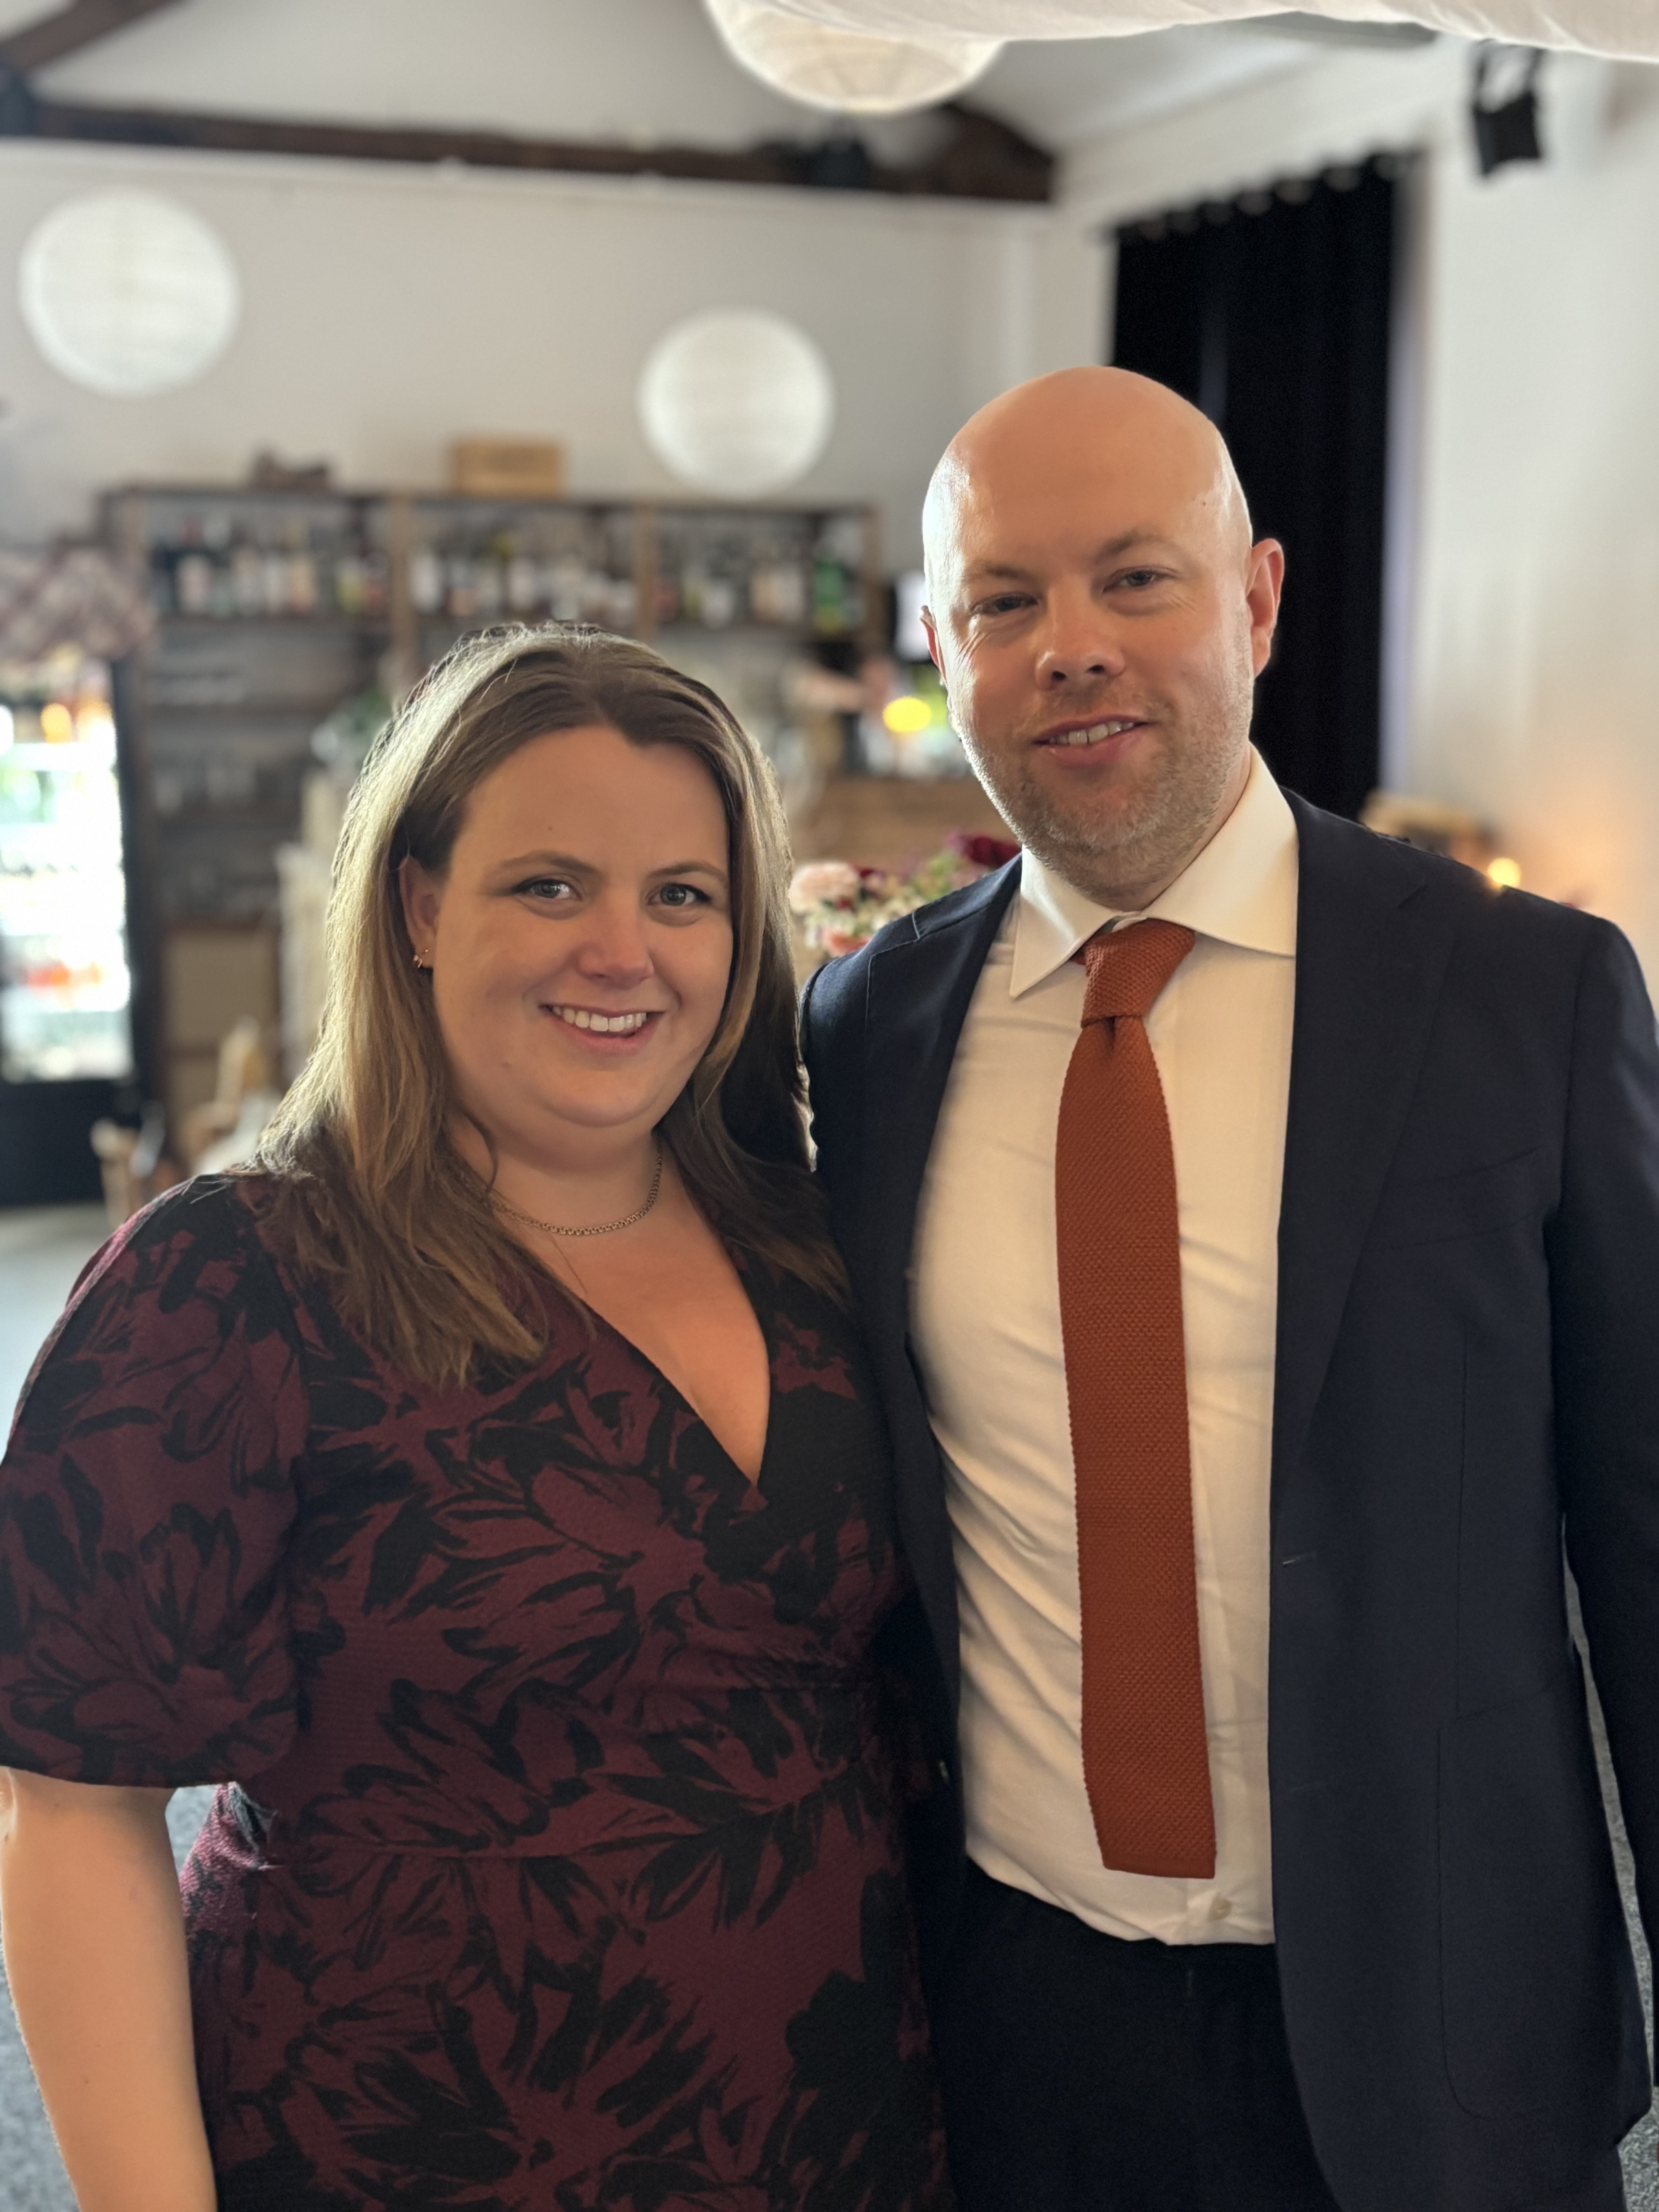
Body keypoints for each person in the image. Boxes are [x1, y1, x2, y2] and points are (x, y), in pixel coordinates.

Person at [797, 366, 1659, 2212]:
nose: (1071, 647)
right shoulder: (870, 1028)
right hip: (1021, 2017)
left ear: (1258, 602)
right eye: (1004, 602)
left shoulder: (1528, 996)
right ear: (944, 649)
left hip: (1449, 2010)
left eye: (1136, 579)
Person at [0, 627, 952, 2212]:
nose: (622, 951)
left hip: (833, 2125)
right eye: (549, 886)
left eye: (683, 895)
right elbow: (75, 1803)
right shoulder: (230, 1283)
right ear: (420, 908)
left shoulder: (812, 1243)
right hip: (397, 2140)